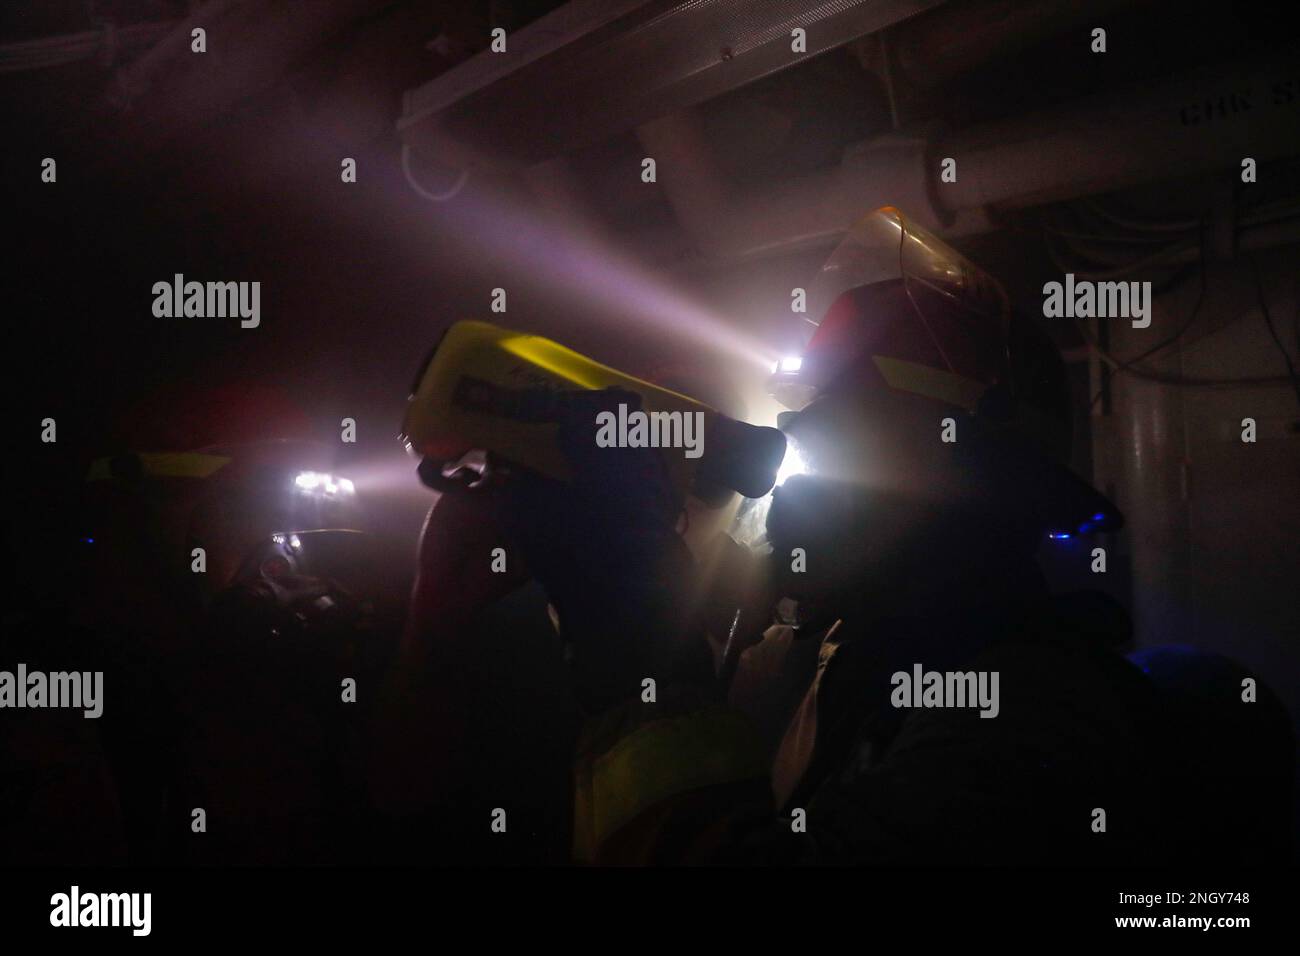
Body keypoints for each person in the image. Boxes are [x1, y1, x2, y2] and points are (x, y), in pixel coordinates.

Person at [400, 207, 1292, 865]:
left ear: (964, 467)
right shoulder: (839, 652)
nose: (796, 461)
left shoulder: (1020, 715)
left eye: (836, 428)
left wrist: (645, 672)